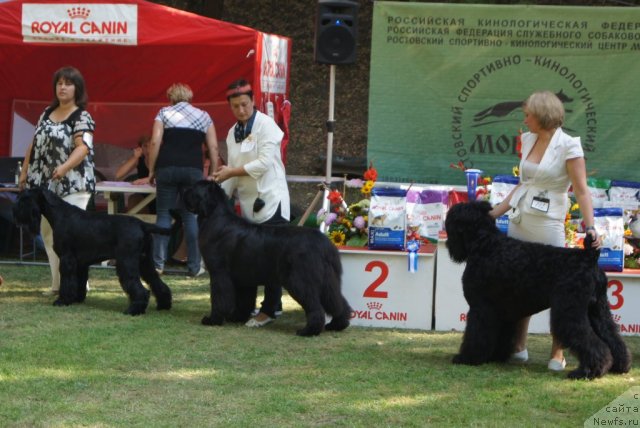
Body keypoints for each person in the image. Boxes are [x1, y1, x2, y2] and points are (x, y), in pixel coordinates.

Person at [489, 90, 600, 372]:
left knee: (559, 290)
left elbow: (582, 191)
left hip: (549, 222)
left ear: (542, 116)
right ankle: (519, 346)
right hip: (520, 219)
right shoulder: (528, 139)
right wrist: (492, 214)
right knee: (518, 286)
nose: (524, 120)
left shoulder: (569, 146)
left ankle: (557, 353)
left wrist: (591, 227)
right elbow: (522, 183)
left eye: (528, 115)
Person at [212, 79, 290, 328]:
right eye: (235, 107)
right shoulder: (233, 133)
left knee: (273, 257)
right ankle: (261, 305)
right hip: (248, 203)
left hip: (271, 197)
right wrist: (217, 193)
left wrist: (230, 172)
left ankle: (269, 310)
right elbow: (230, 174)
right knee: (255, 257)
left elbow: (265, 163)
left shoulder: (267, 126)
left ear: (253, 102)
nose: (241, 110)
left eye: (245, 105)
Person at [17, 66, 96, 296]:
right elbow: (34, 144)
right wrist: (24, 172)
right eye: (59, 83)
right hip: (43, 186)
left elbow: (83, 147)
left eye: (68, 83)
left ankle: (80, 285)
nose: (62, 87)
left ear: (77, 88)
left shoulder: (82, 116)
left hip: (73, 183)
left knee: (72, 236)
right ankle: (57, 285)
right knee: (49, 235)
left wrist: (63, 167)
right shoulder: (46, 113)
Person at [148, 83, 218, 277]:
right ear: (190, 97)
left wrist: (151, 169)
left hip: (167, 167)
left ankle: (157, 265)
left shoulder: (163, 113)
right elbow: (213, 148)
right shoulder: (204, 116)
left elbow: (155, 142)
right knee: (190, 217)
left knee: (163, 215)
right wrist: (212, 173)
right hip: (193, 169)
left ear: (170, 97)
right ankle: (194, 266)